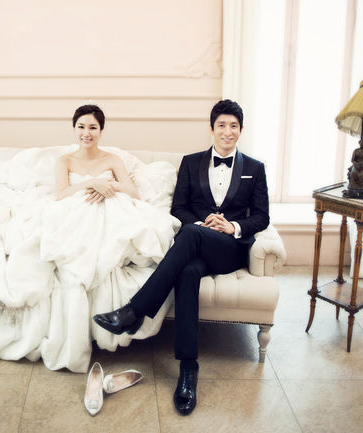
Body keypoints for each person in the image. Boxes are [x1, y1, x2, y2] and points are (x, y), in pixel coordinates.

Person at [0, 104, 179, 373]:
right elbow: (62, 193)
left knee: (123, 232)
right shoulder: (65, 160)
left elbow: (133, 192)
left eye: (92, 127)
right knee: (51, 234)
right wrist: (91, 183)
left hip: (110, 204)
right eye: (81, 127)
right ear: (74, 129)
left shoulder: (112, 159)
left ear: (101, 131)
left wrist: (108, 185)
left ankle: (93, 264)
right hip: (73, 205)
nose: (86, 133)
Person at [94, 99, 270, 415]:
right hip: (198, 240)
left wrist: (231, 226)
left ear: (241, 130)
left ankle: (135, 311)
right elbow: (179, 208)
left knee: (189, 235)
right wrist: (203, 224)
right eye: (222, 125)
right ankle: (188, 370)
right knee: (187, 270)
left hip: (230, 250)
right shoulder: (191, 162)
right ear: (211, 128)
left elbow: (262, 216)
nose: (227, 131)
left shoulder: (255, 169)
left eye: (233, 126)